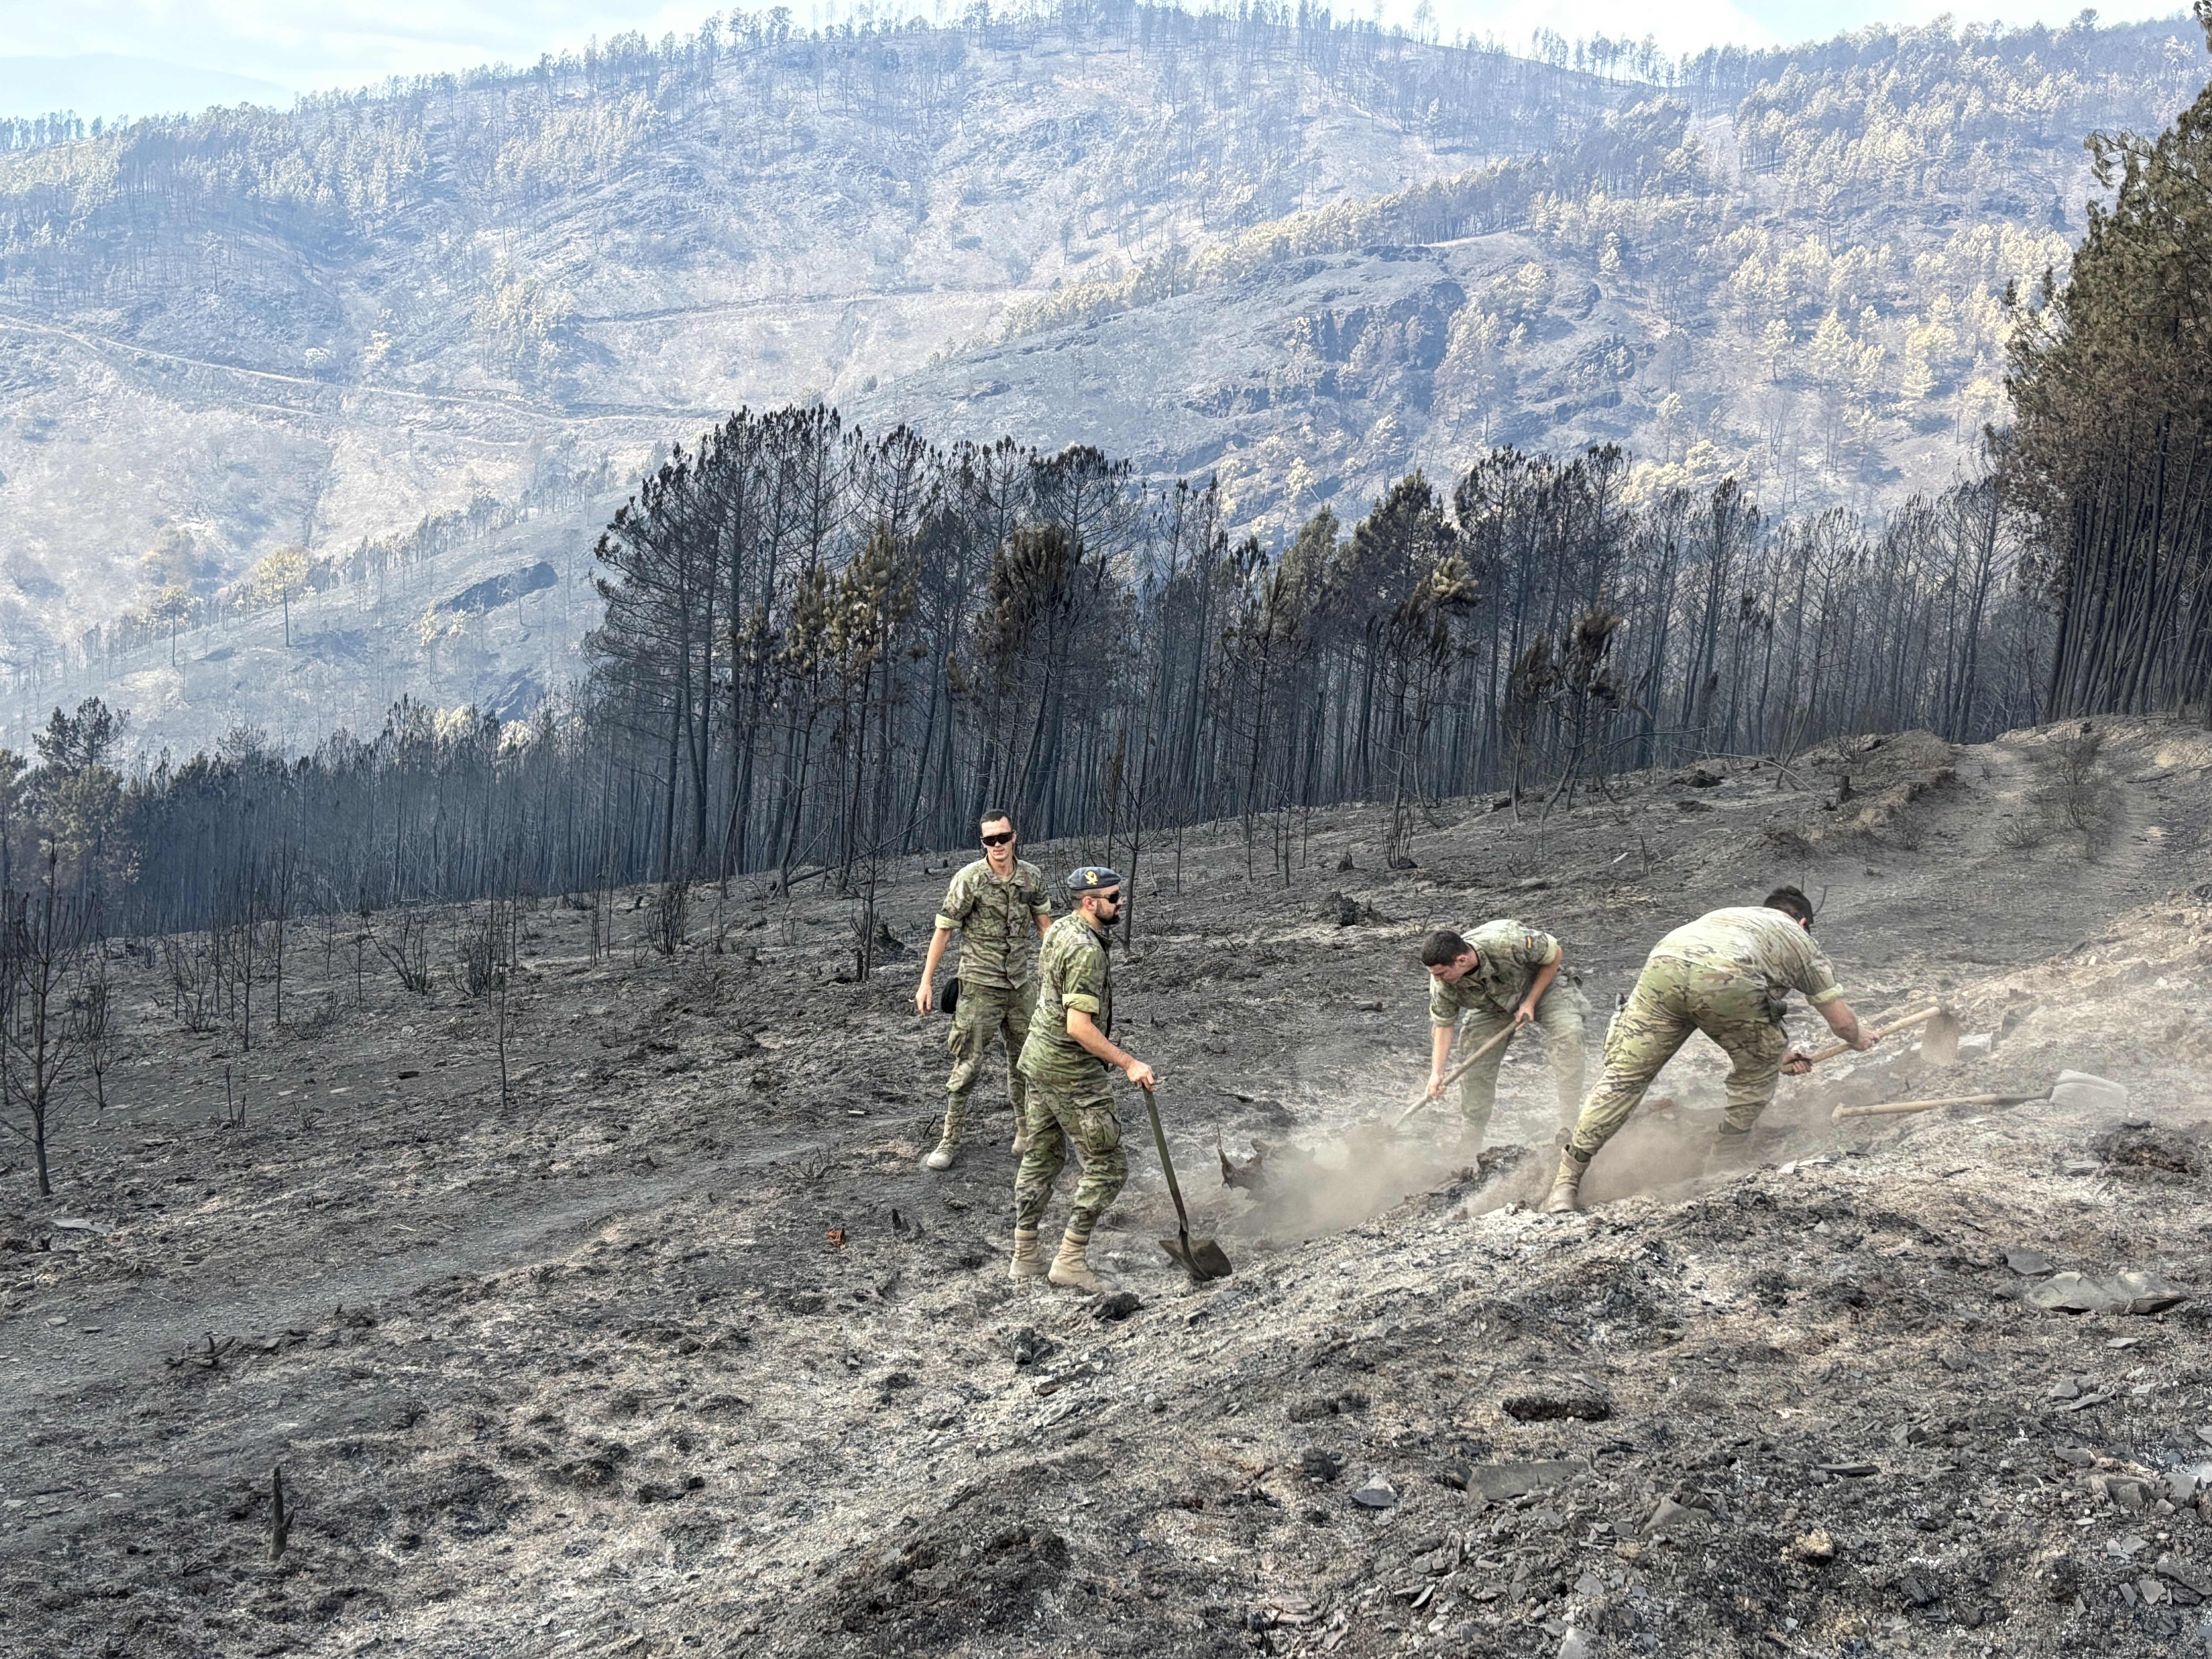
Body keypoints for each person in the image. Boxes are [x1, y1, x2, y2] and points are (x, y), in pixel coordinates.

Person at [1540, 886, 1877, 1214]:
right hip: (1727, 977)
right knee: (1754, 1078)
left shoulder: (1731, 917)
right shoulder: (1798, 939)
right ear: (1803, 922)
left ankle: (1565, 1186)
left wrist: (1778, 1055)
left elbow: (1732, 1008)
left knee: (1623, 1080)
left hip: (1664, 963)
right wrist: (1858, 1039)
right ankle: (1722, 1167)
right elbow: (1842, 1023)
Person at [1010, 866, 1156, 1294]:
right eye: (1114, 898)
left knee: (1041, 1157)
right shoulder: (1086, 951)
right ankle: (1070, 1260)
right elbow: (1080, 1027)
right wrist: (1129, 1063)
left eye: (1120, 895)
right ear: (1089, 903)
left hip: (1037, 1060)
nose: (1121, 903)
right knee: (1109, 1166)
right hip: (1069, 1068)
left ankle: (1026, 1255)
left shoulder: (1059, 931)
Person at [914, 810, 1053, 1171]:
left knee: (1027, 1061)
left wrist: (1058, 972)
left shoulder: (1031, 878)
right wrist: (926, 981)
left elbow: (1045, 928)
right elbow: (944, 930)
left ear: (1014, 837)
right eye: (990, 840)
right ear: (983, 843)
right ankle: (949, 1139)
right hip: (979, 985)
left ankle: (1026, 1131)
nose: (997, 846)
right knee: (968, 1066)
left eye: (1003, 838)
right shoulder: (970, 880)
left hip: (1021, 985)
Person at [1419, 921, 1588, 1151]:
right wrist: (1437, 1074)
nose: (1438, 979)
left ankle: (1570, 1126)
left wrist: (1530, 1002)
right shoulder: (1441, 984)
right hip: (1492, 1006)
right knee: (1476, 1063)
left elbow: (1554, 953)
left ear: (1461, 961)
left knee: (1570, 1034)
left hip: (1544, 987)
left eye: (1441, 974)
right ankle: (1470, 1141)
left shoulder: (1506, 941)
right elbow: (1443, 1025)